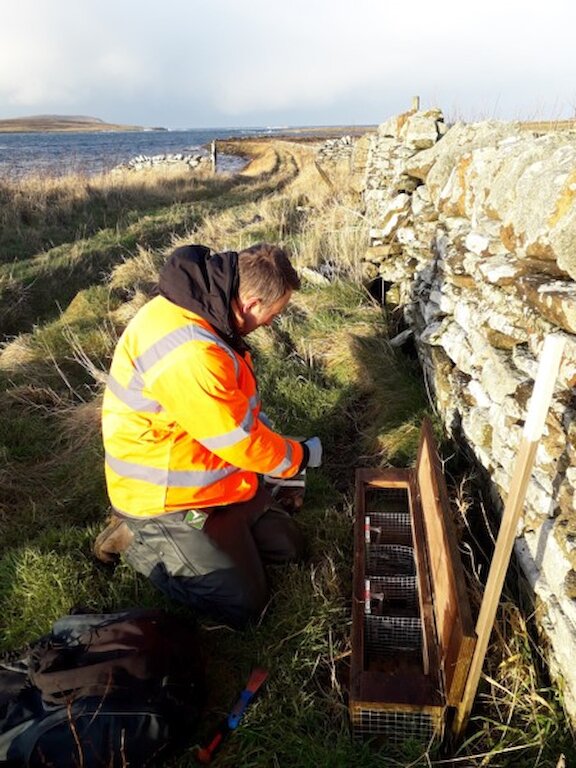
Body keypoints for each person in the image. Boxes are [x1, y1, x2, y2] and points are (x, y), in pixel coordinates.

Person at [95, 243, 322, 628]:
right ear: (250, 303)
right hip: (163, 497)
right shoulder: (193, 352)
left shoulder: (205, 311)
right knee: (244, 605)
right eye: (274, 313)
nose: (272, 322)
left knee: (289, 548)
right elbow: (241, 441)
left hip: (209, 474)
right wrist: (298, 457)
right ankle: (137, 539)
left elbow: (232, 420)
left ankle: (220, 537)